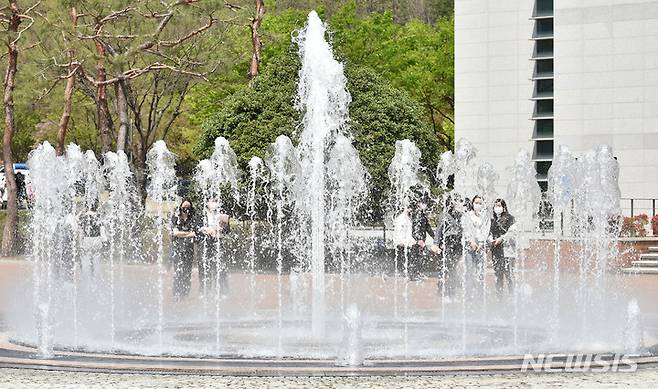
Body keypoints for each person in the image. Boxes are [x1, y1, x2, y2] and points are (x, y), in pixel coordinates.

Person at [432, 193, 464, 299]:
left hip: (458, 244)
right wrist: (436, 244)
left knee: (453, 268)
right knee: (448, 268)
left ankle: (451, 291)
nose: (459, 203)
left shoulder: (461, 216)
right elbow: (439, 230)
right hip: (448, 243)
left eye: (460, 201)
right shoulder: (445, 215)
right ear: (451, 203)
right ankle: (446, 291)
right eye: (457, 201)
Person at [197, 200, 231, 297]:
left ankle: (221, 291)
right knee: (204, 268)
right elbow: (196, 227)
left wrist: (224, 226)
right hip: (204, 243)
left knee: (220, 267)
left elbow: (227, 231)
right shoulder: (201, 214)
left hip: (218, 242)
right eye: (212, 201)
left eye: (216, 201)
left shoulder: (221, 214)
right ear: (207, 202)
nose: (215, 203)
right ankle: (205, 291)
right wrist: (206, 229)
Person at [489, 199, 516, 297]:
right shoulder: (492, 220)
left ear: (504, 207)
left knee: (509, 274)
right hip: (496, 251)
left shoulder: (510, 219)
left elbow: (513, 233)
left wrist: (501, 239)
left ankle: (512, 295)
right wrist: (490, 239)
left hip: (507, 251)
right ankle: (499, 296)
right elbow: (489, 233)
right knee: (498, 274)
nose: (497, 208)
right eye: (495, 206)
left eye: (499, 206)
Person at [170, 199, 197, 299]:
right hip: (177, 248)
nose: (186, 209)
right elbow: (175, 233)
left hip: (189, 249)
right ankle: (176, 293)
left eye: (188, 208)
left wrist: (183, 234)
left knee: (187, 272)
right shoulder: (176, 218)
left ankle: (185, 293)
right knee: (178, 271)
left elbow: (195, 233)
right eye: (184, 207)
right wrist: (188, 234)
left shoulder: (192, 219)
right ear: (180, 207)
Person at [462, 195, 488, 291]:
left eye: (480, 203)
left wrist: (481, 243)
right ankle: (469, 292)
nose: (478, 205)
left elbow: (485, 230)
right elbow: (465, 229)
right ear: (472, 204)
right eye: (476, 203)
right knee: (469, 270)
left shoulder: (484, 217)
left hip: (480, 246)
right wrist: (471, 241)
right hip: (469, 246)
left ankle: (479, 292)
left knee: (480, 270)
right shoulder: (467, 215)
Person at [410, 196, 434, 281]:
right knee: (417, 257)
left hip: (421, 239)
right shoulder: (418, 213)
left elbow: (428, 227)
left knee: (420, 257)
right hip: (418, 240)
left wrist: (435, 237)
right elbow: (416, 227)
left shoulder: (422, 214)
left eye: (426, 203)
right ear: (418, 204)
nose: (425, 205)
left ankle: (417, 273)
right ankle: (414, 274)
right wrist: (419, 239)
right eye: (423, 203)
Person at [79, 199, 105, 276]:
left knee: (86, 258)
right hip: (96, 239)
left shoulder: (83, 217)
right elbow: (102, 229)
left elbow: (81, 231)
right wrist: (104, 240)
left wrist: (80, 242)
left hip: (86, 239)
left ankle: (86, 274)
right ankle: (95, 275)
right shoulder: (98, 216)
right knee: (96, 259)